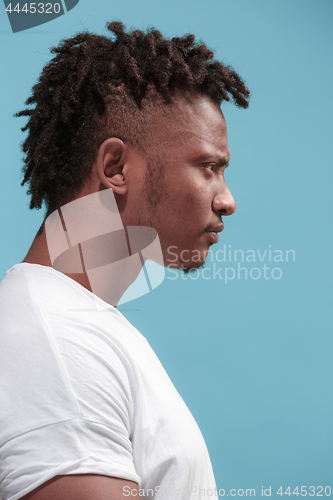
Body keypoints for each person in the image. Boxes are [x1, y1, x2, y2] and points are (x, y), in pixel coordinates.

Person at [0, 21, 250, 500]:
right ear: (115, 167)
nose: (226, 200)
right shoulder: (56, 341)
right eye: (208, 167)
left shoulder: (76, 323)